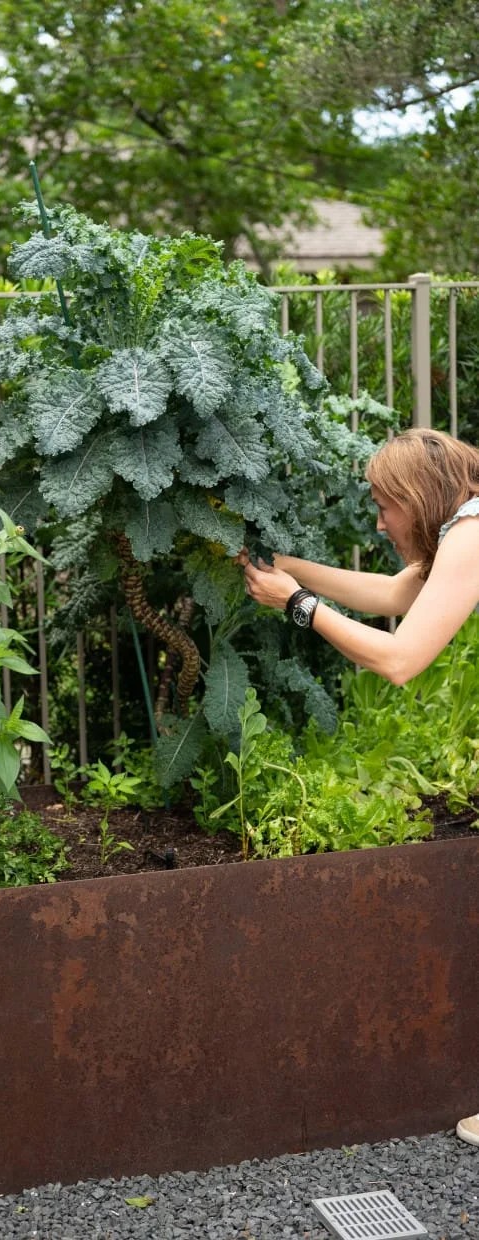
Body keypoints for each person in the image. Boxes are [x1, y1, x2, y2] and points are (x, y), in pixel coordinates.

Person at [239, 425, 479, 1145]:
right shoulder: (462, 529)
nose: (378, 522)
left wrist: (297, 606)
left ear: (416, 496)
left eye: (383, 505)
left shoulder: (472, 536)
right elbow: (387, 594)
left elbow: (401, 657)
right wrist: (282, 567)